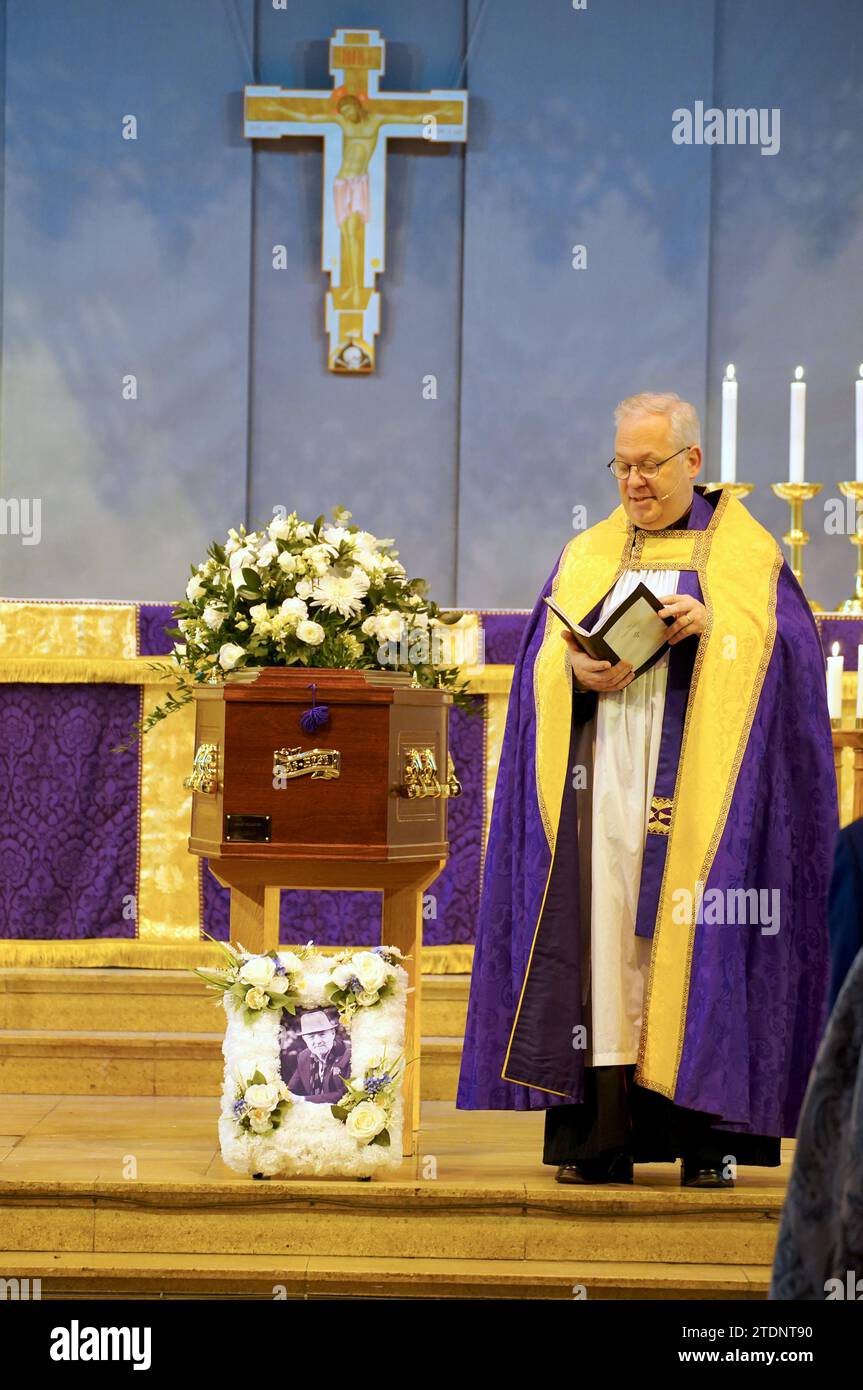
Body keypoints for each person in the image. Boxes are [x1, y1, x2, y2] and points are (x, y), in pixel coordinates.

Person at [456, 391, 837, 1188]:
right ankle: (601, 1139)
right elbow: (542, 662)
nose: (633, 481)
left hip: (703, 800)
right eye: (621, 465)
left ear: (691, 462)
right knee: (601, 944)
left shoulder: (747, 555)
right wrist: (573, 667)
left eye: (648, 465)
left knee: (698, 936)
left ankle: (706, 1138)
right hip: (605, 783)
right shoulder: (588, 551)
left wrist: (719, 634)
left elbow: (794, 667)